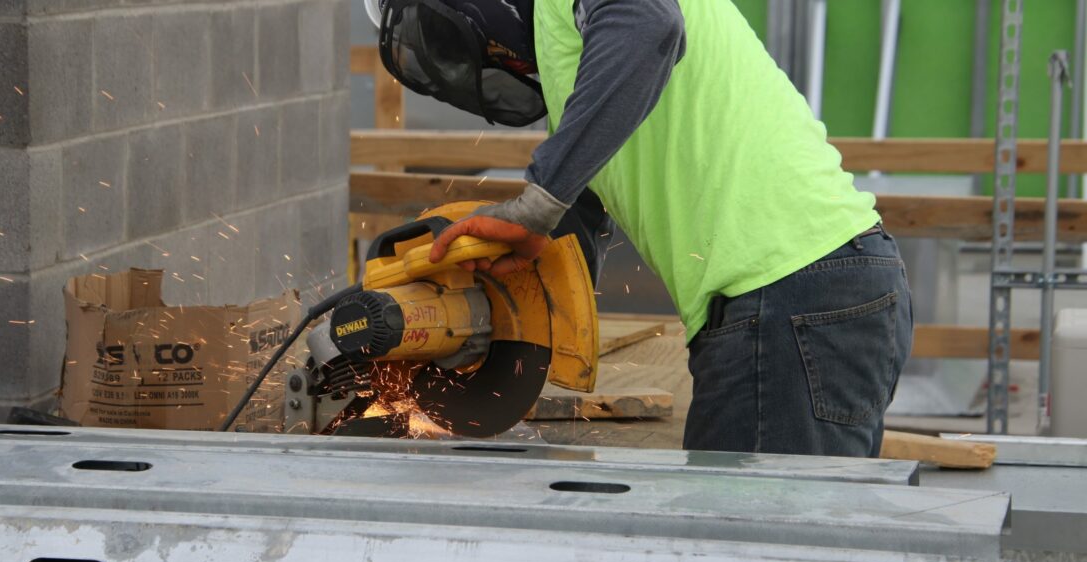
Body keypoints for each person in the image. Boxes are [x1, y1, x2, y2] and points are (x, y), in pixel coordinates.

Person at [365, 0, 913, 458]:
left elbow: (647, 24)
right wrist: (490, 307)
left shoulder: (618, 17)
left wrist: (536, 204)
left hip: (790, 298)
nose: (497, 58)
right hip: (806, 296)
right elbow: (575, 208)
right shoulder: (581, 54)